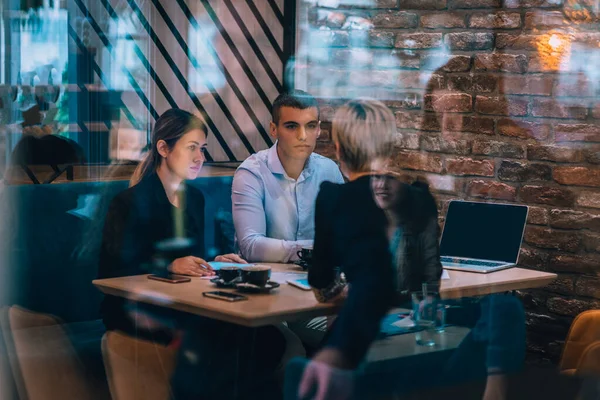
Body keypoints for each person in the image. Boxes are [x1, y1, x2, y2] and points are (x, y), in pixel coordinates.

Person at [98, 109, 285, 399]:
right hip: (139, 312)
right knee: (239, 341)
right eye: (191, 148)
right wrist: (169, 264)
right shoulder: (129, 202)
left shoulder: (195, 198)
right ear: (163, 148)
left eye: (202, 149)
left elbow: (201, 255)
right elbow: (111, 273)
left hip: (192, 306)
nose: (200, 157)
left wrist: (219, 259)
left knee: (268, 338)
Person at [305, 99, 397, 375]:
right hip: (412, 333)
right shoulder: (416, 197)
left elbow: (320, 283)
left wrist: (342, 287)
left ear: (339, 150)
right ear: (388, 149)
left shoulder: (333, 197)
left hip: (359, 335)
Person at [232, 90, 344, 263]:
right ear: (273, 129)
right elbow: (251, 246)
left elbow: (343, 235)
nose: (303, 136)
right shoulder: (251, 173)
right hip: (266, 282)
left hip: (318, 279)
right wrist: (315, 249)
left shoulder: (329, 171)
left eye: (311, 126)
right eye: (292, 126)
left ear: (319, 129)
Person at [370, 171, 442, 300]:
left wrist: (428, 301)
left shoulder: (422, 221)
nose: (382, 185)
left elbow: (431, 278)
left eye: (391, 177)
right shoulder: (367, 221)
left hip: (403, 312)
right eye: (376, 176)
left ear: (407, 181)